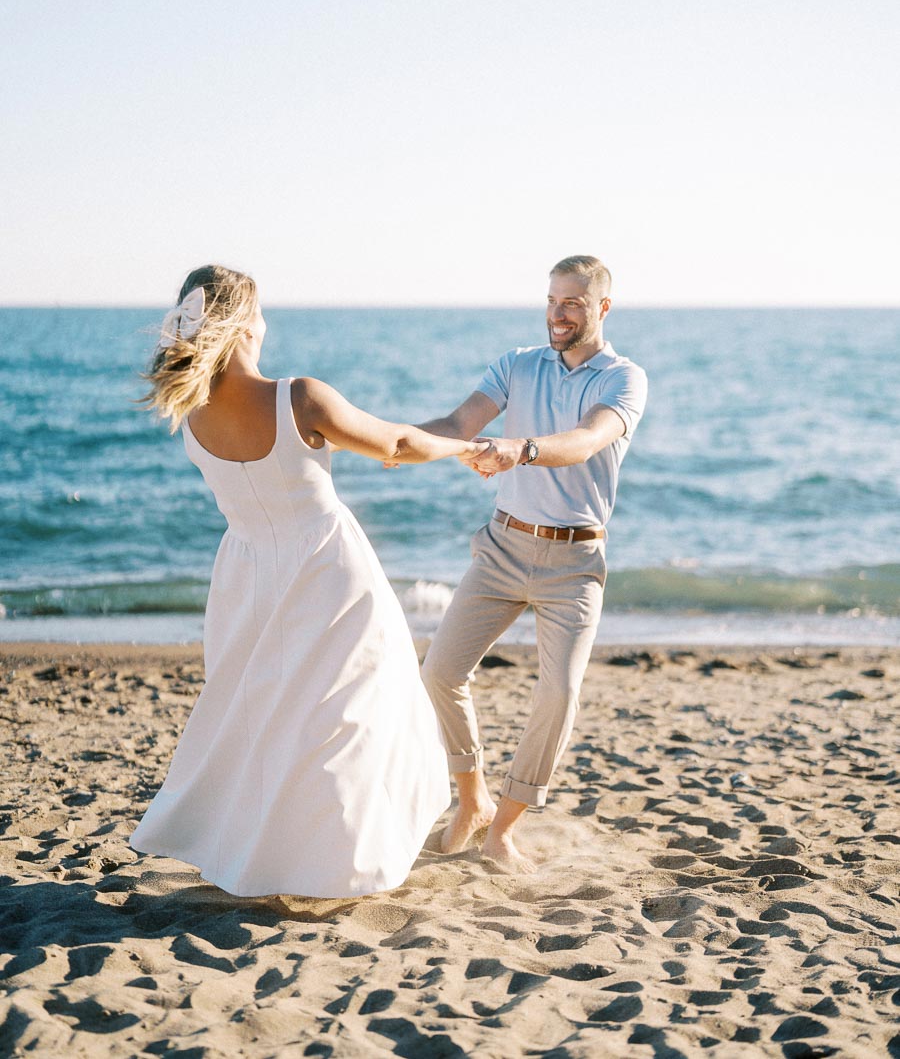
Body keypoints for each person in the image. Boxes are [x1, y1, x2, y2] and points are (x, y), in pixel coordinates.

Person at [130, 264, 489, 898]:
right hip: (327, 570)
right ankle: (344, 858)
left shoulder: (191, 412)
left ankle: (271, 855)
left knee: (271, 715)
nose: (267, 325)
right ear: (243, 321)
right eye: (262, 313)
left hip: (245, 574)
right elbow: (398, 444)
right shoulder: (299, 397)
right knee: (351, 712)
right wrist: (464, 446)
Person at [419, 254, 648, 873]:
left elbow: (585, 441)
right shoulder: (517, 365)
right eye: (552, 300)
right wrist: (389, 442)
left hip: (575, 561)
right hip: (502, 547)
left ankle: (506, 829)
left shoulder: (623, 378)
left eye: (572, 302)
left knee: (561, 691)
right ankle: (472, 802)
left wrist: (517, 450)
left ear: (602, 307)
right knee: (440, 672)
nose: (558, 313)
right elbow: (457, 423)